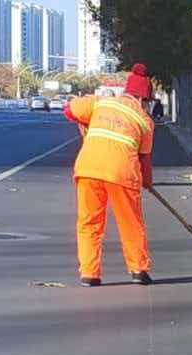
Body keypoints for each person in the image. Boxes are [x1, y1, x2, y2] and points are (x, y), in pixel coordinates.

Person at [63, 63, 156, 286]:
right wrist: (147, 182)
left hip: (88, 168)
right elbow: (144, 159)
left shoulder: (101, 102)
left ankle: (89, 274)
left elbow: (69, 111)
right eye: (148, 102)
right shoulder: (145, 121)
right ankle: (139, 270)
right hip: (121, 172)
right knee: (131, 223)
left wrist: (86, 121)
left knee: (89, 223)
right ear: (142, 99)